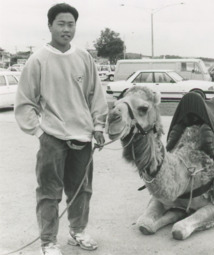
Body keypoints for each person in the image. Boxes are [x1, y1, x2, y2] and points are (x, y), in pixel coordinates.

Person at [15, 3, 108, 255]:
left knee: (82, 190)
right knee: (49, 192)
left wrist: (98, 126)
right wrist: (39, 133)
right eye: (61, 24)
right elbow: (25, 103)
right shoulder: (38, 61)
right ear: (50, 26)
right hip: (52, 139)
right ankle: (48, 241)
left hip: (83, 138)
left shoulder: (84, 58)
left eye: (71, 24)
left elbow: (96, 96)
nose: (67, 29)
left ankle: (77, 232)